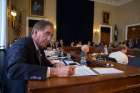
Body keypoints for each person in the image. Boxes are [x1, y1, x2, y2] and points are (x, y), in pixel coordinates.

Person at [6, 20, 75, 80]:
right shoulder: (22, 44)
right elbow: (14, 70)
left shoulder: (39, 47)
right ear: (35, 32)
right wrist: (56, 71)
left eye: (51, 35)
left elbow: (44, 63)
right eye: (47, 33)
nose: (49, 39)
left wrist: (55, 65)